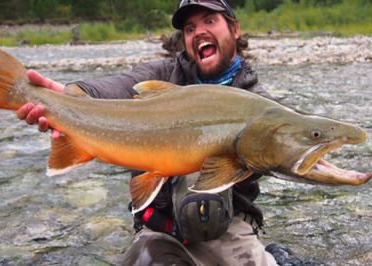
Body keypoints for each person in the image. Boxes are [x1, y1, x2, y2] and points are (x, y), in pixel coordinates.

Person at [17, 1, 316, 265]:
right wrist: (72, 94)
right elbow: (117, 86)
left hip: (231, 231)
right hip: (161, 232)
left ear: (234, 29)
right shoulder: (161, 74)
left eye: (209, 21)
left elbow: (289, 159)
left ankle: (275, 256)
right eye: (189, 28)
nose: (198, 32)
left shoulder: (259, 103)